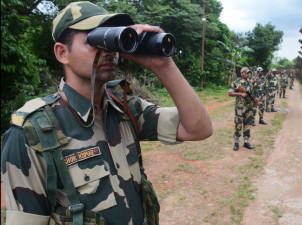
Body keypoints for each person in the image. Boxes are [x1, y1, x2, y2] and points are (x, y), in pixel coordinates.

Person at [1, 2, 213, 225]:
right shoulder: (32, 133)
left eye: (111, 40)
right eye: (95, 40)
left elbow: (198, 128)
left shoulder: (125, 108)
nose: (109, 51)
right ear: (62, 53)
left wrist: (163, 65)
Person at [228, 67, 257, 151]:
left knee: (248, 124)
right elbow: (230, 93)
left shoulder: (250, 82)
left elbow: (252, 94)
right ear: (241, 73)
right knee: (238, 124)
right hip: (240, 108)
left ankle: (246, 142)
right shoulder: (236, 83)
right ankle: (236, 142)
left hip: (249, 107)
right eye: (246, 72)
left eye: (248, 72)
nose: (247, 74)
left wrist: (256, 102)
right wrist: (240, 93)